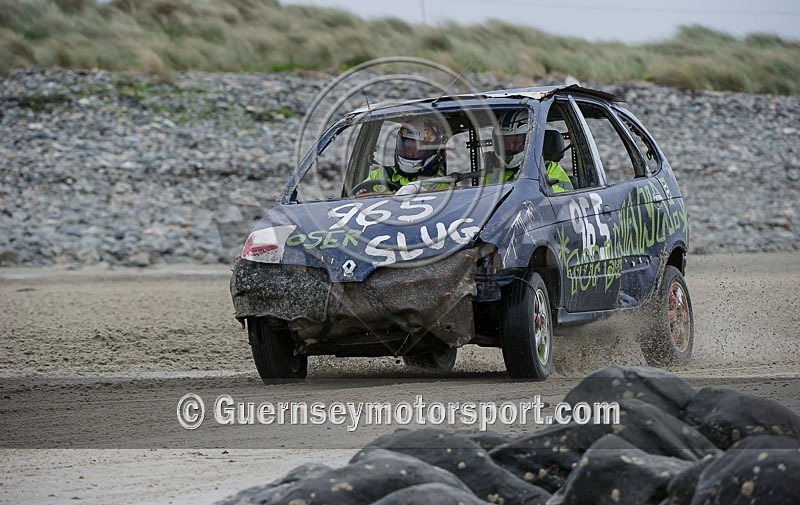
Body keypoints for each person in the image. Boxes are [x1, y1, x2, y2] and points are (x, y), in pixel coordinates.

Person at [487, 110, 573, 193]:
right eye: (504, 143)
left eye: (515, 142)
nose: (509, 147)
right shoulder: (492, 174)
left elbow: (553, 200)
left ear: (530, 141)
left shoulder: (549, 170)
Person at [357, 118, 448, 194]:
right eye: (407, 148)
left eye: (417, 149)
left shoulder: (440, 183)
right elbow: (356, 199)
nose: (410, 153)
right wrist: (361, 194)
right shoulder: (378, 175)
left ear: (431, 151)